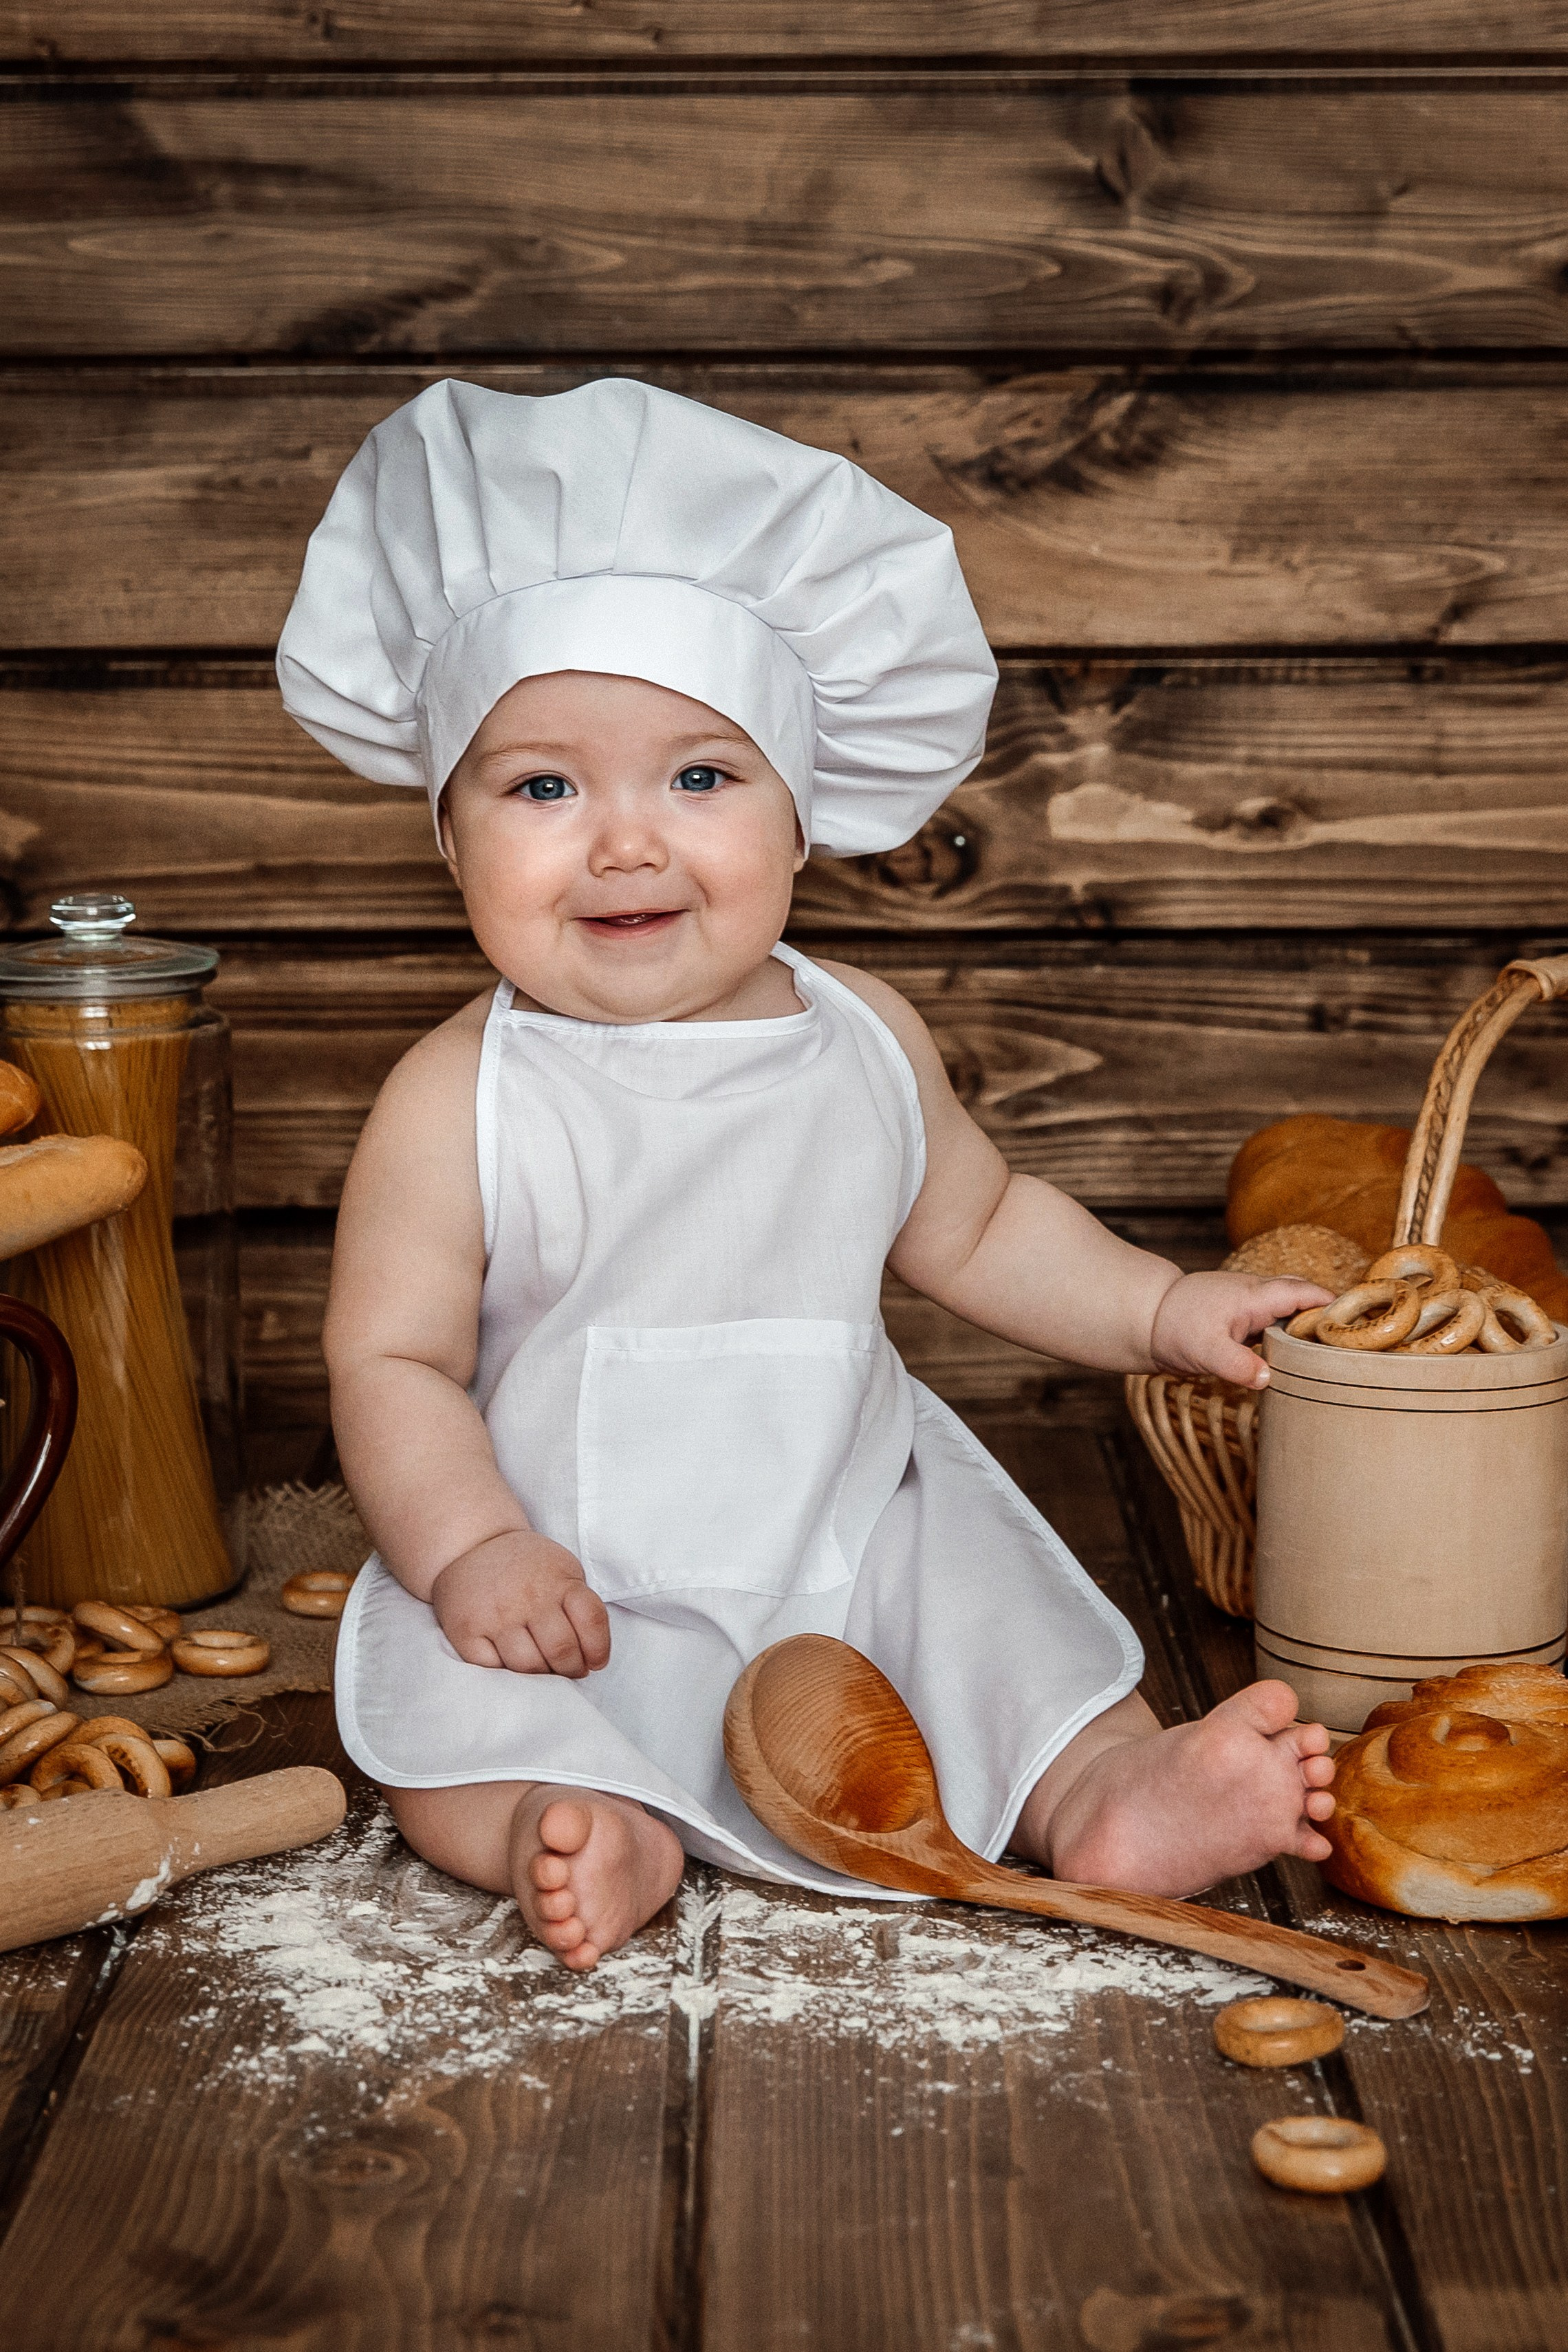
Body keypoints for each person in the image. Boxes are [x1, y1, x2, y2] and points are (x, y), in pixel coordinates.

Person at [278, 378, 1337, 1973]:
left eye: (702, 778)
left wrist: (1164, 1307)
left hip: (849, 1520)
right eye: (544, 786)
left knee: (991, 1619)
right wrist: (471, 1548)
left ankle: (1102, 1790)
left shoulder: (861, 1039)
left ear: (803, 811)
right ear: (448, 834)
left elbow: (982, 1226)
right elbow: (392, 1356)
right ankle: (570, 1832)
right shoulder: (460, 1094)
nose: (626, 842)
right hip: (571, 1562)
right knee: (460, 1731)